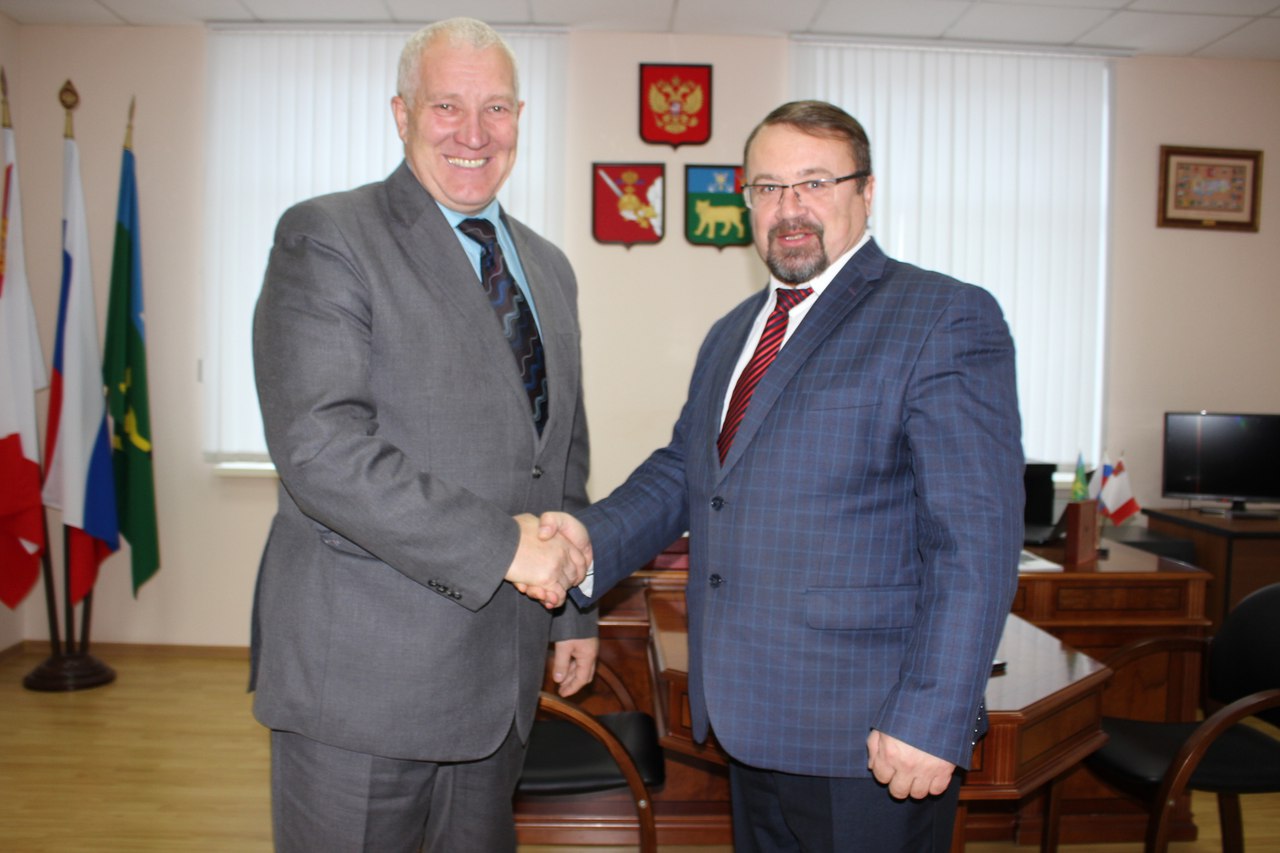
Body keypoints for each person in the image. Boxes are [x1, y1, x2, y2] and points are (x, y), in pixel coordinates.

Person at [545, 100, 1023, 851]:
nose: (789, 207)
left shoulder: (942, 316)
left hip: (871, 734)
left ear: (867, 192)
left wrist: (932, 714)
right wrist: (583, 540)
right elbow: (685, 472)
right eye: (768, 187)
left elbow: (976, 540)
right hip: (750, 715)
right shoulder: (733, 332)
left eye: (815, 182)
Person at [249, 18, 596, 853]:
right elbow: (321, 448)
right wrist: (505, 548)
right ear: (401, 113)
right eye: (447, 105)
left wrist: (574, 610)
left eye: (496, 107)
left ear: (519, 118)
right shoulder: (327, 235)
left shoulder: (548, 266)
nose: (474, 132)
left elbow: (559, 452)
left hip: (499, 681)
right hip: (363, 683)